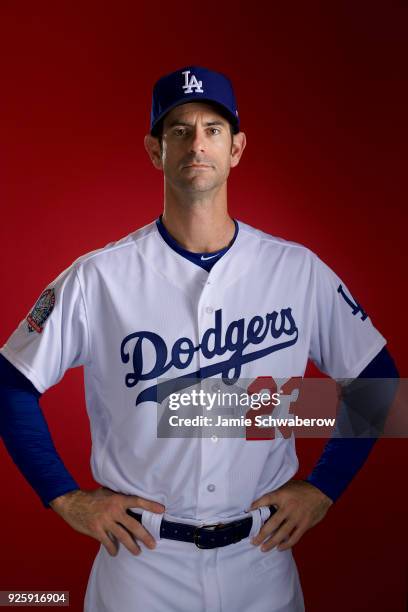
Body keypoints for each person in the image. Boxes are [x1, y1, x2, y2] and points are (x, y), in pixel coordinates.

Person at [0, 66, 399, 612]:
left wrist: (323, 485)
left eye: (213, 128)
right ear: (154, 150)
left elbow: (377, 385)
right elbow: (10, 383)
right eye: (180, 129)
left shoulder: (297, 270)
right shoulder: (98, 276)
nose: (197, 143)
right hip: (142, 564)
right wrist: (64, 497)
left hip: (260, 558)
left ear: (237, 148)